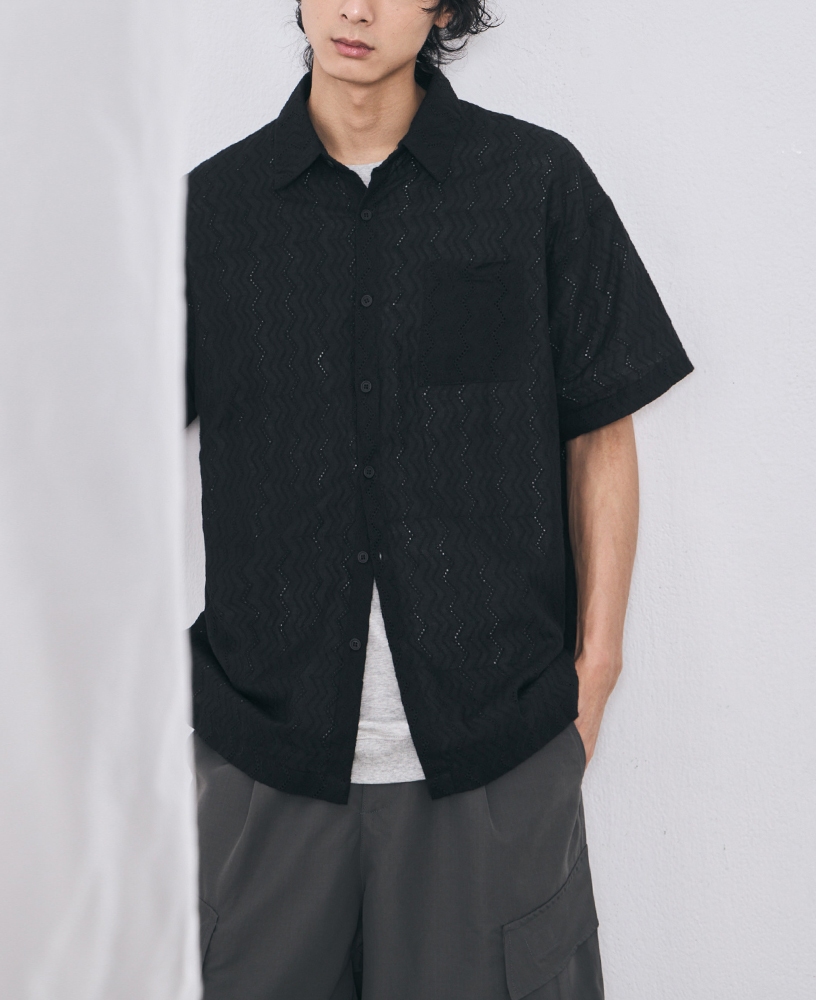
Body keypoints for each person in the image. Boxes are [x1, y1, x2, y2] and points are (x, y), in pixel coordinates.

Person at [184, 1, 692, 996]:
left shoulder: (533, 182)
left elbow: (600, 433)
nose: (356, 9)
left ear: (447, 8)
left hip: (493, 753)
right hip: (264, 759)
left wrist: (595, 674)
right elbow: (104, 453)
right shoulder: (215, 208)